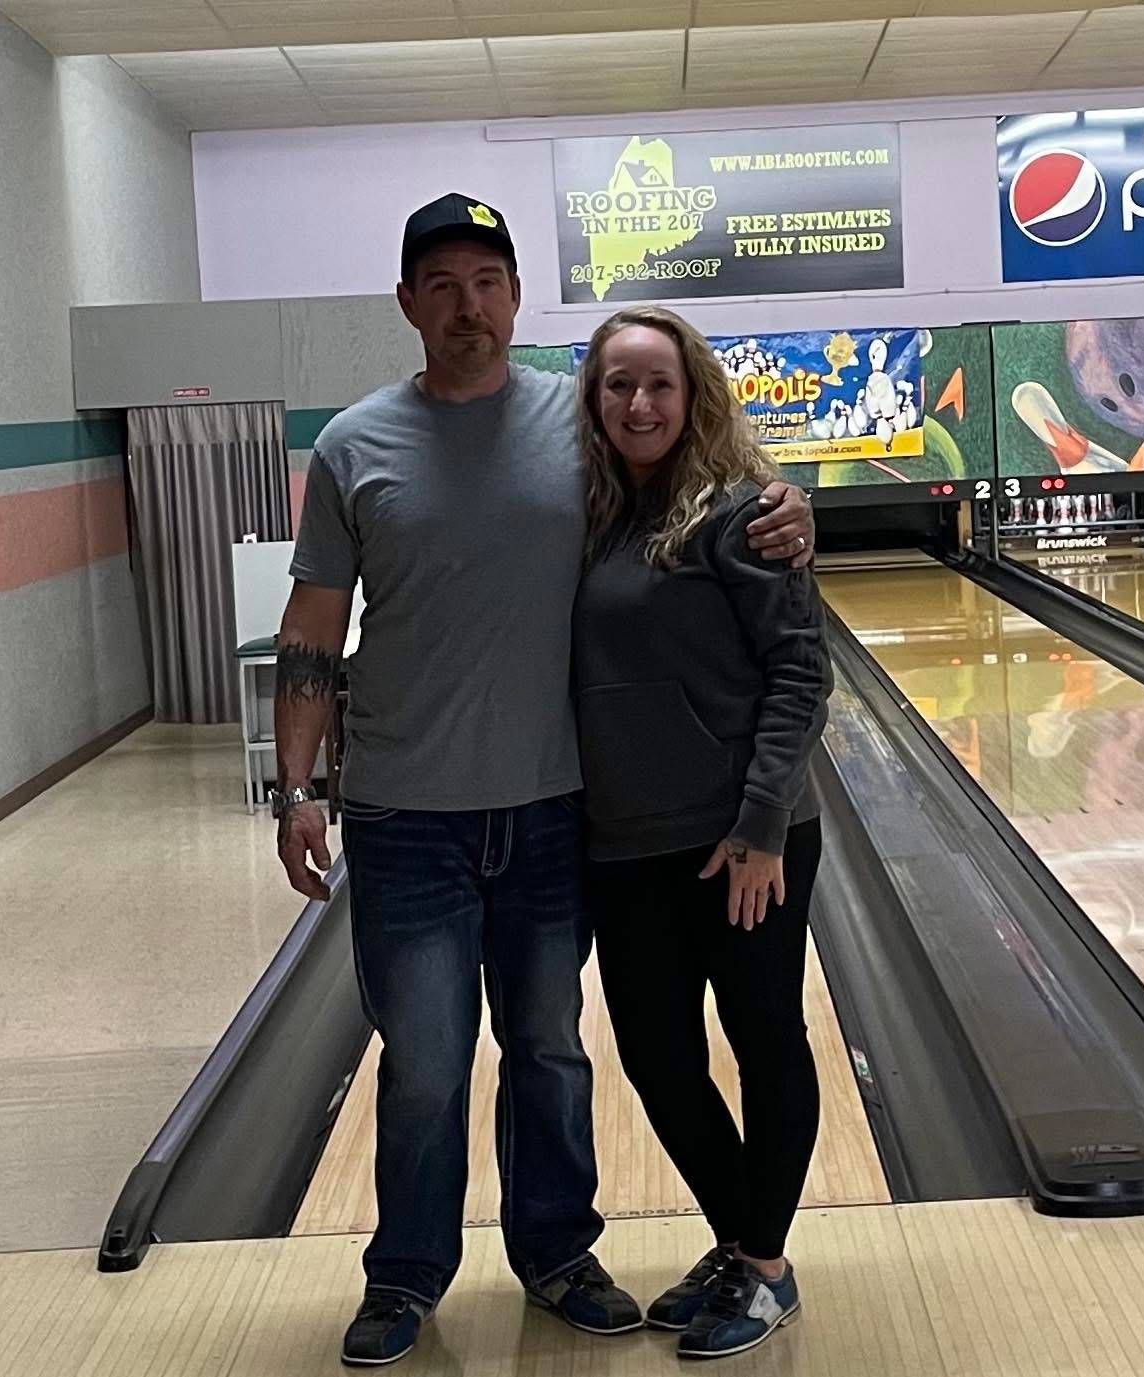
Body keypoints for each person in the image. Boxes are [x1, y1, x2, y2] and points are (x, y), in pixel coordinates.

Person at [271, 193, 816, 1368]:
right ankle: (405, 1275)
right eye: (441, 284)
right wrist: (297, 787)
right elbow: (311, 624)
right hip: (405, 813)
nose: (466, 305)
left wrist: (787, 506)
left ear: (516, 297)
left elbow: (699, 478)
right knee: (424, 1065)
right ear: (407, 302)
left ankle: (559, 1255)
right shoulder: (352, 444)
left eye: (486, 281)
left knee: (551, 1053)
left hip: (552, 811)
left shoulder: (578, 425)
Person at [573, 305, 832, 1361]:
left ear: (693, 396)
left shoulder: (741, 515)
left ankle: (763, 1265)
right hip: (624, 842)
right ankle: (743, 1240)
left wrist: (762, 824)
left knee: (764, 1037)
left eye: (659, 384)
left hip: (741, 841)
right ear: (593, 398)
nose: (639, 403)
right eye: (618, 384)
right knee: (656, 1057)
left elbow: (800, 670)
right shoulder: (588, 517)